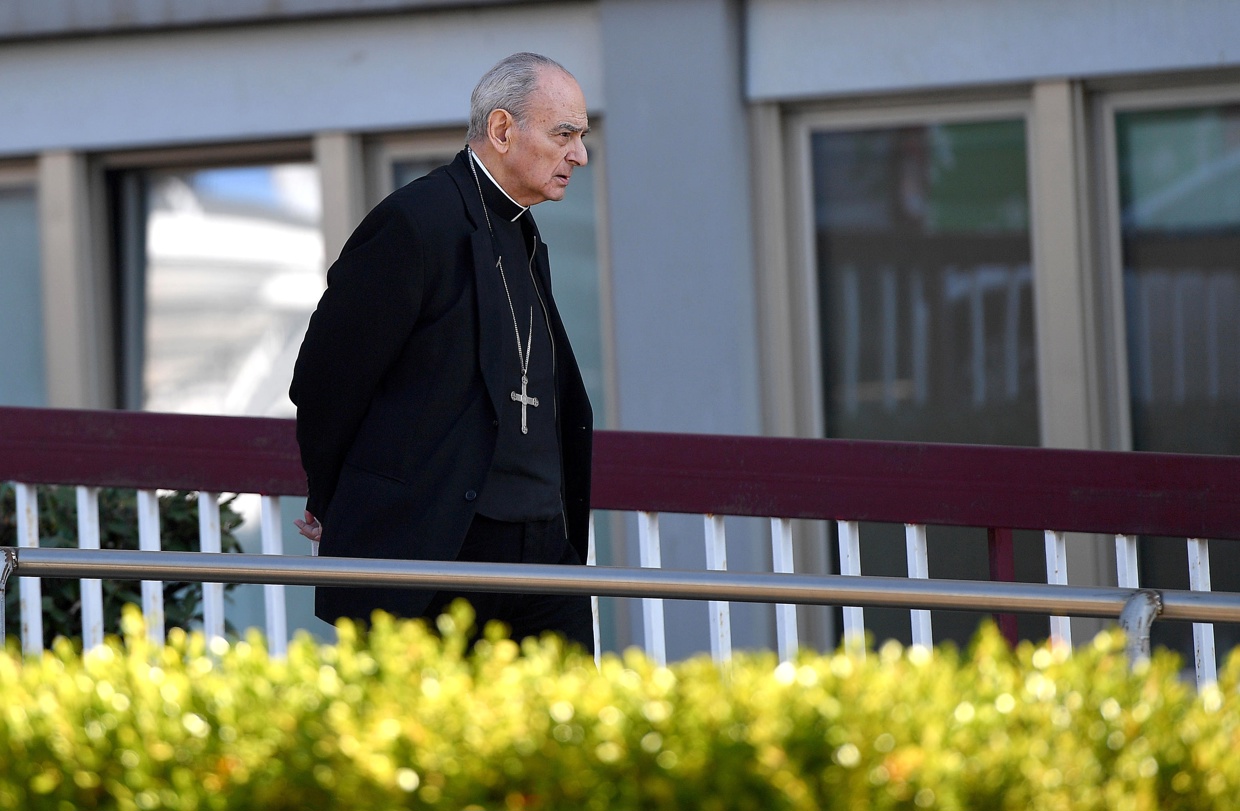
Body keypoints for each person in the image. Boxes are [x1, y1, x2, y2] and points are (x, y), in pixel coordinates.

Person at [289, 52, 594, 652]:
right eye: (564, 135)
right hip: (440, 548)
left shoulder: (525, 232)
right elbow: (327, 378)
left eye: (580, 137)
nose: (579, 155)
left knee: (568, 713)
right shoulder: (415, 221)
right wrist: (330, 500)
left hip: (542, 548)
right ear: (502, 130)